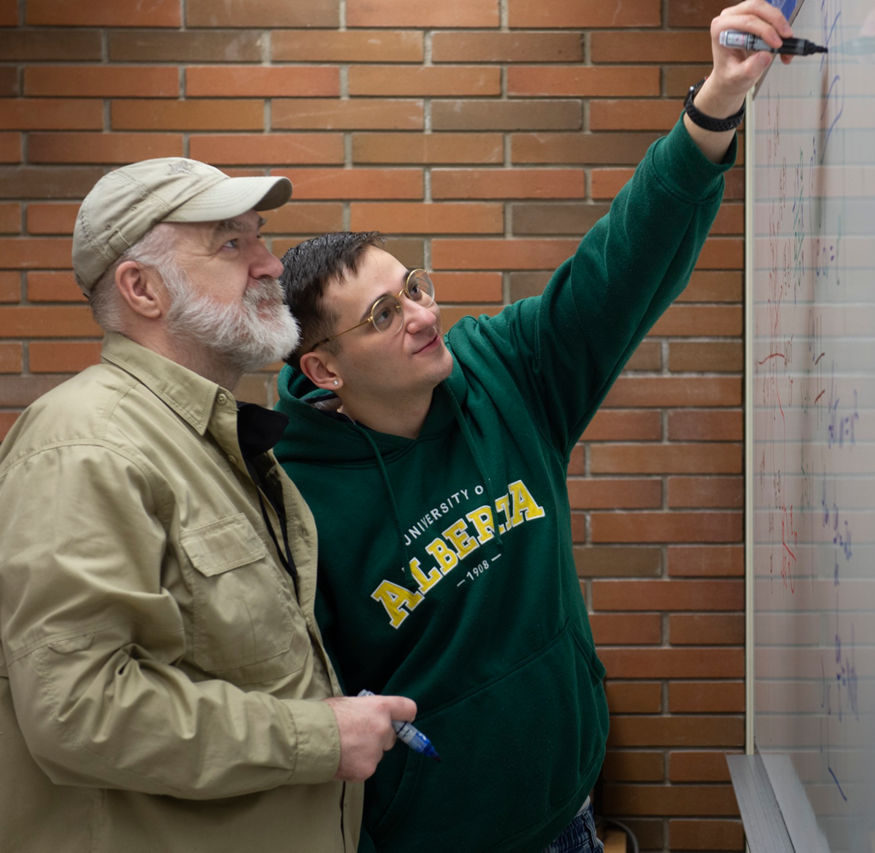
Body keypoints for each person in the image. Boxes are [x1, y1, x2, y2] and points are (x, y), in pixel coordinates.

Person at [269, 3, 792, 850]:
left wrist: (714, 106)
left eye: (414, 286)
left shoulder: (502, 370)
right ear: (322, 369)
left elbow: (616, 270)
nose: (421, 314)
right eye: (382, 314)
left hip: (570, 819)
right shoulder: (290, 493)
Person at [0, 157, 417, 851]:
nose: (271, 265)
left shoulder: (201, 438)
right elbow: (77, 710)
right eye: (231, 243)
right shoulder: (87, 447)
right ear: (143, 289)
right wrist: (320, 736)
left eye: (259, 236)